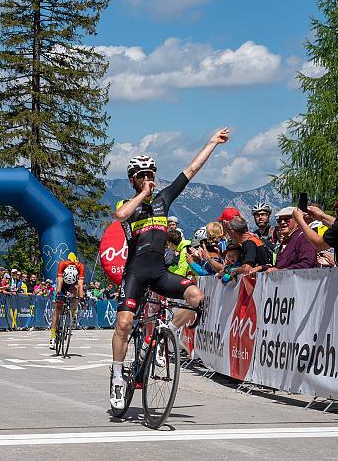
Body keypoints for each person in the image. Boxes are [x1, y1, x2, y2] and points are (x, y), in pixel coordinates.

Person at [110, 127, 230, 410]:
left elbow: (191, 169)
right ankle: (117, 376)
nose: (149, 178)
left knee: (196, 298)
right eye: (143, 175)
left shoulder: (165, 200)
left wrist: (212, 142)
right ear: (133, 180)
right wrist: (144, 194)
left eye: (151, 173)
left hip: (160, 272)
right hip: (136, 274)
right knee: (124, 324)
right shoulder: (127, 204)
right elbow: (121, 215)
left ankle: (168, 335)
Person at [265, 206, 318, 271]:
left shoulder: (304, 237)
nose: (282, 222)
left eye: (287, 219)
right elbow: (281, 266)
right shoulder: (286, 240)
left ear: (297, 220)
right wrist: (262, 268)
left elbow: (308, 263)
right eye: (279, 221)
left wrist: (283, 271)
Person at [50, 252, 85, 350]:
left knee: (77, 293)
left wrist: (81, 298)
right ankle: (53, 336)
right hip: (63, 282)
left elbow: (80, 284)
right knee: (57, 309)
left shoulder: (80, 266)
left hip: (73, 284)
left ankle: (73, 314)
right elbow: (60, 282)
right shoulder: (62, 264)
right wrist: (57, 295)